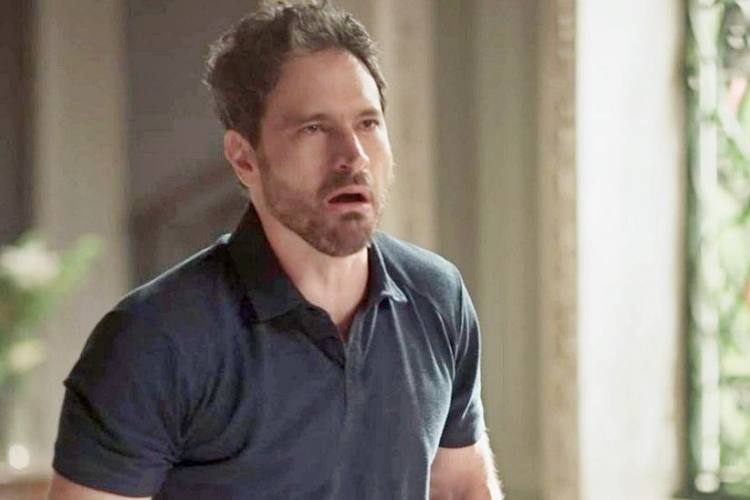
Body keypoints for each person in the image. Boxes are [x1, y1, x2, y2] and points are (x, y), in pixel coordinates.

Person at [47, 2, 502, 499]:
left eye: (368, 123)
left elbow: (462, 487)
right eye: (314, 128)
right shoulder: (152, 340)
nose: (352, 156)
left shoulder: (438, 296)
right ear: (244, 158)